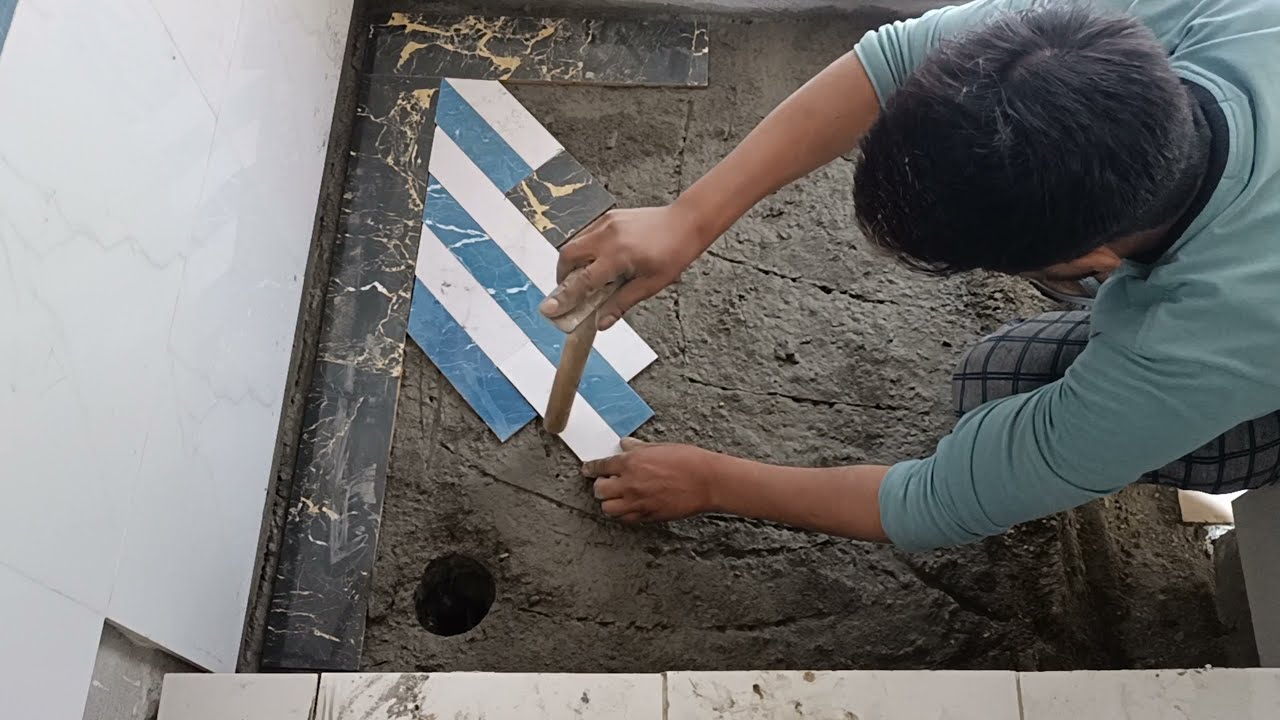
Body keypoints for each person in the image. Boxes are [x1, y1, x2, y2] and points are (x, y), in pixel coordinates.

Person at [538, 0, 1280, 551]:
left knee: (999, 386)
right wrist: (690, 217)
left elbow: (937, 503)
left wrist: (713, 482)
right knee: (997, 381)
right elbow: (894, 60)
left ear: (1092, 265)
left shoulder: (1197, 347)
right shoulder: (1124, 34)